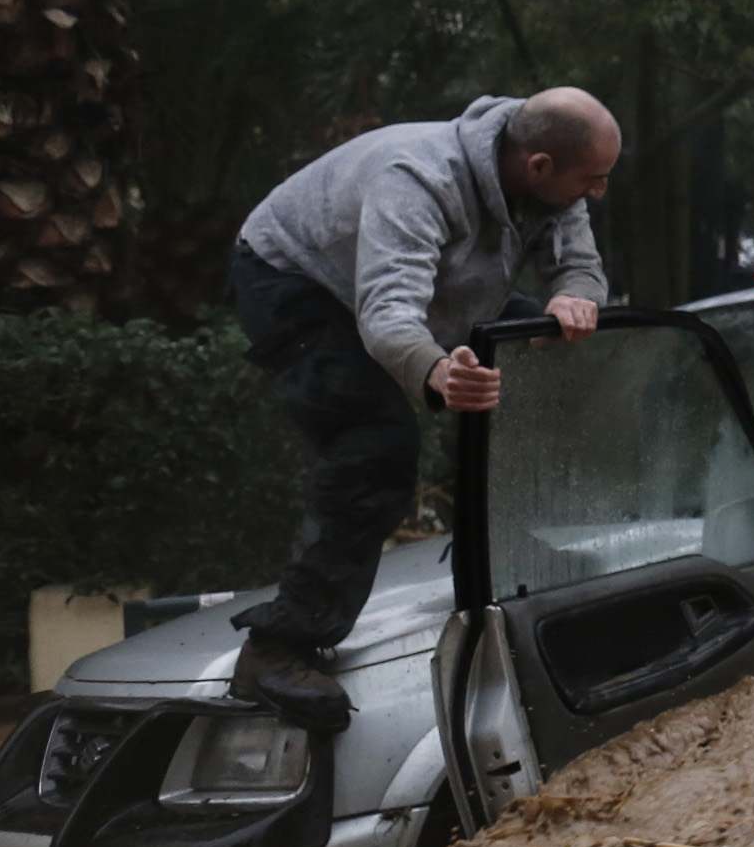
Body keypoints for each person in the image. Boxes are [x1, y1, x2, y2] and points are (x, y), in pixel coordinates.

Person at [226, 88, 621, 727]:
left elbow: (580, 270)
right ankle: (279, 647)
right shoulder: (417, 180)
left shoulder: (552, 174)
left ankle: (508, 554)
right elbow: (385, 313)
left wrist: (574, 298)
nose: (597, 194)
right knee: (375, 442)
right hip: (299, 279)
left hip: (419, 288)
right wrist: (437, 370)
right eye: (592, 181)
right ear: (539, 166)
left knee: (537, 353)